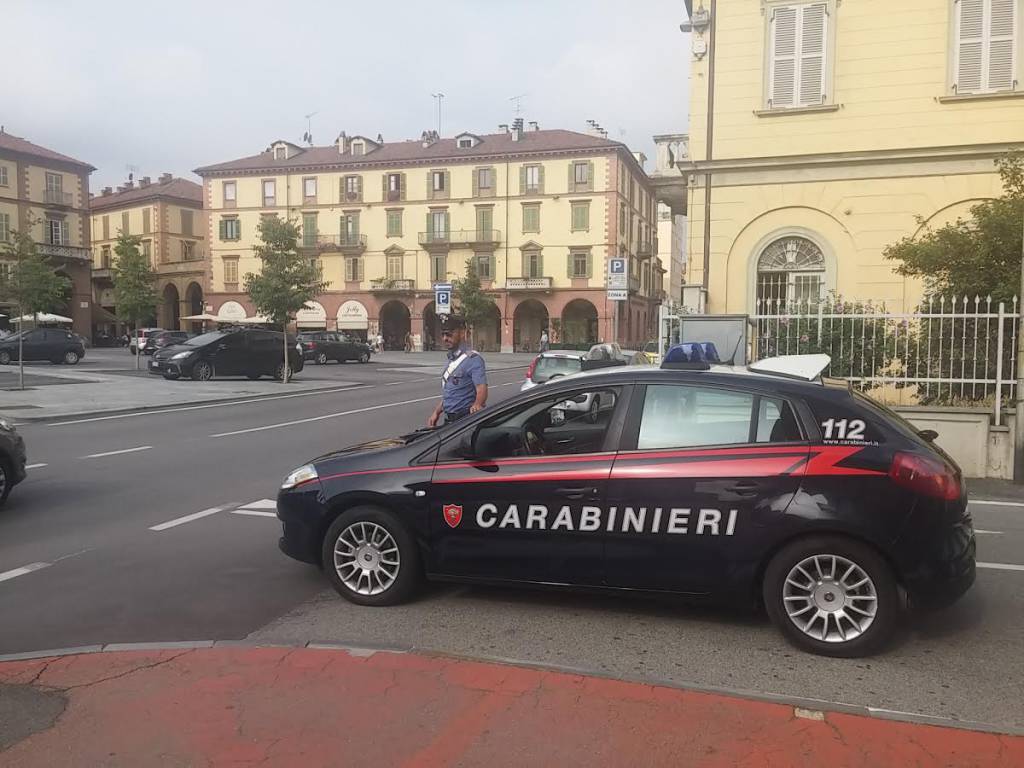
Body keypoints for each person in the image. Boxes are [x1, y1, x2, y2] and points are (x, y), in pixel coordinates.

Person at [427, 315, 488, 427]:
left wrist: (477, 404)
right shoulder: (451, 360)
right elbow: (451, 393)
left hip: (465, 421)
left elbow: (481, 389)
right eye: (443, 335)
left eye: (449, 334)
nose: (445, 338)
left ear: (462, 333)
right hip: (449, 420)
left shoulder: (473, 359)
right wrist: (436, 412)